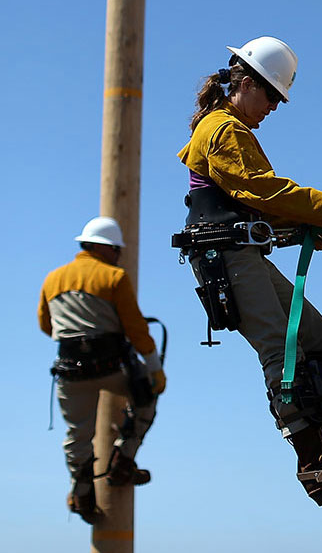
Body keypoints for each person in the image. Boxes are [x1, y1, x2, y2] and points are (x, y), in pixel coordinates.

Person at [174, 36, 322, 506]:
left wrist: (314, 223)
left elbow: (256, 208)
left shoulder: (231, 129)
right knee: (280, 347)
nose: (273, 106)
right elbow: (264, 191)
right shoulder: (223, 128)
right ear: (245, 83)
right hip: (225, 255)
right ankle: (313, 464)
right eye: (270, 94)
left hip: (239, 250)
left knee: (314, 333)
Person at [39, 216, 166, 524]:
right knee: (146, 398)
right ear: (104, 248)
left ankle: (81, 493)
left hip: (69, 373)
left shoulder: (52, 279)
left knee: (77, 435)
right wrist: (154, 370)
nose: (118, 255)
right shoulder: (114, 277)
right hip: (110, 367)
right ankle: (123, 462)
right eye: (116, 250)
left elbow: (46, 325)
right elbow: (136, 329)